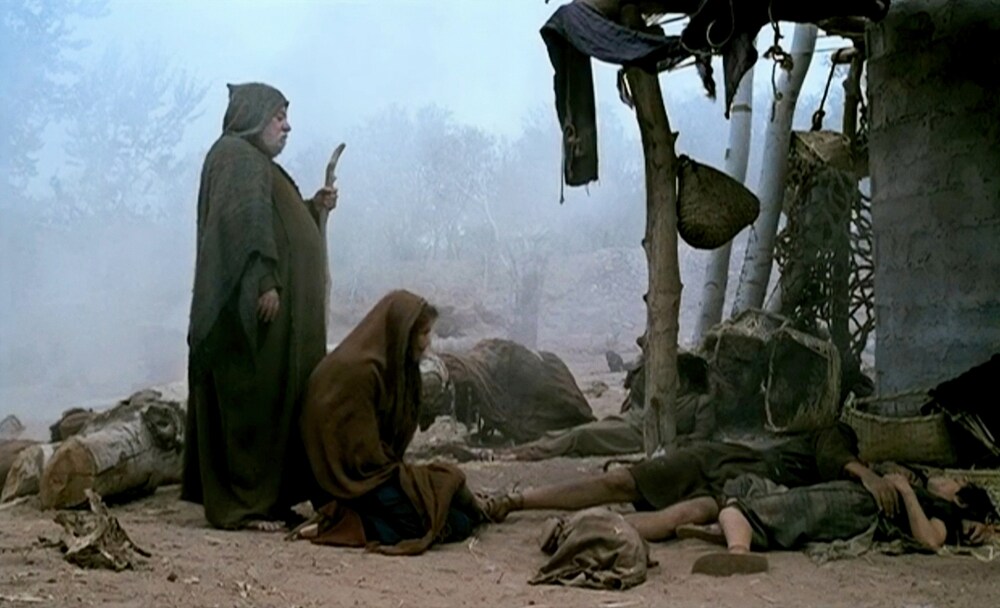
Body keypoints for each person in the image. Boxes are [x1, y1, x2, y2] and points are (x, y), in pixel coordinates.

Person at [182, 82, 336, 531]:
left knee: (280, 404)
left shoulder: (256, 163)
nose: (287, 127)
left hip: (277, 317)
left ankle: (271, 498)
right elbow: (240, 229)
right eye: (278, 117)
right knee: (253, 405)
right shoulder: (235, 157)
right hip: (253, 317)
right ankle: (245, 504)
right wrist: (264, 281)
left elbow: (273, 221)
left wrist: (312, 209)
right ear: (251, 117)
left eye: (286, 117)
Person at [481, 422, 899, 543]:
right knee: (622, 483)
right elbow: (832, 450)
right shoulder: (841, 438)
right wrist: (868, 474)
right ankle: (515, 501)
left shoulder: (848, 488)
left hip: (741, 492)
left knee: (683, 516)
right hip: (719, 460)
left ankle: (572, 530)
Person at [296, 290, 485, 555]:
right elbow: (359, 455)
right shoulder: (361, 371)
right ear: (402, 331)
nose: (426, 343)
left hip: (374, 471)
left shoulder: (397, 367)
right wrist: (408, 479)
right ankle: (340, 522)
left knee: (458, 516)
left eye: (429, 333)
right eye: (422, 333)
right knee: (439, 523)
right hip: (348, 479)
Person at [686, 463, 1000, 576]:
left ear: (960, 500)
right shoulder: (932, 498)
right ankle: (728, 530)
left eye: (955, 481)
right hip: (853, 499)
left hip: (856, 506)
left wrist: (906, 491)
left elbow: (929, 540)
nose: (945, 477)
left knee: (742, 508)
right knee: (758, 492)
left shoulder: (945, 512)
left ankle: (738, 551)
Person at [502, 351, 718, 461]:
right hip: (631, 421)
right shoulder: (670, 395)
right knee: (578, 431)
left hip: (636, 435)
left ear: (690, 379)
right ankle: (524, 449)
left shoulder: (701, 402)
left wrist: (671, 441)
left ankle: (526, 454)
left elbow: (701, 438)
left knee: (581, 436)